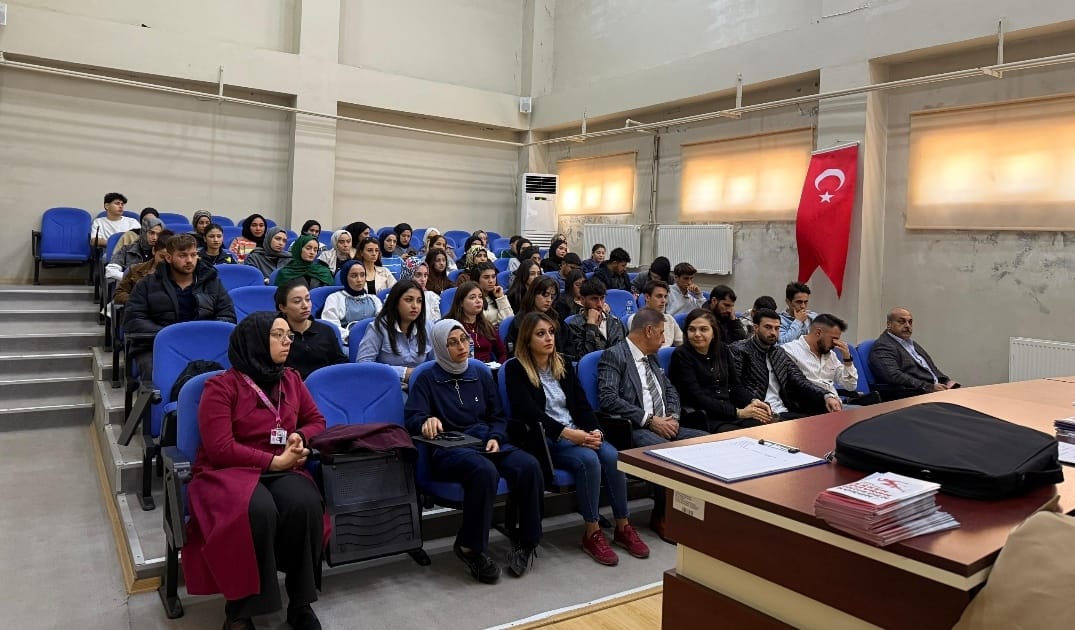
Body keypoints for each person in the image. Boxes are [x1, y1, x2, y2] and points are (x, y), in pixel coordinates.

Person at [183, 312, 327, 630]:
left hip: (281, 468)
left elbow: (317, 421)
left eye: (289, 335)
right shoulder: (221, 386)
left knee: (305, 504)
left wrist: (300, 437)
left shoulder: (291, 379)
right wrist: (273, 462)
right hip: (227, 472)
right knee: (256, 510)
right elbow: (220, 448)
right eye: (278, 335)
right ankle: (240, 611)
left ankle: (301, 603)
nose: (288, 341)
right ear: (256, 341)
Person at [505, 312, 650, 566]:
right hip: (547, 438)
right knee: (588, 461)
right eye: (541, 334)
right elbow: (529, 412)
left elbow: (582, 406)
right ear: (527, 340)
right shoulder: (516, 369)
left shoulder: (562, 364)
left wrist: (595, 431)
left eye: (551, 332)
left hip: (577, 432)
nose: (549, 338)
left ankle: (622, 526)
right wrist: (568, 433)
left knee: (612, 456)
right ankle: (592, 532)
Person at [405, 319, 544, 582]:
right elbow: (413, 416)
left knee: (529, 466)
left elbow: (498, 416)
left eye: (464, 340)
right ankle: (470, 547)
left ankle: (527, 540)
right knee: (484, 471)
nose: (461, 347)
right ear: (440, 347)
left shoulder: (479, 373)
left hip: (485, 440)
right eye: (453, 342)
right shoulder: (426, 378)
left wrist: (495, 436)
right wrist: (426, 421)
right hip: (449, 447)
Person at [596, 308, 707, 540]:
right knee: (668, 454)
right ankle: (662, 516)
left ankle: (693, 512)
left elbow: (670, 390)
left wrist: (674, 417)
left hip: (666, 422)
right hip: (634, 428)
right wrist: (650, 420)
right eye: (660, 333)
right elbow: (608, 399)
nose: (664, 340)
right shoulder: (615, 355)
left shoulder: (652, 356)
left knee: (707, 443)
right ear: (648, 331)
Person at [124, 234, 236, 380]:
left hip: (204, 344)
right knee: (157, 376)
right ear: (168, 258)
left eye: (193, 255)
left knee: (230, 375)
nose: (189, 260)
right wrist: (171, 335)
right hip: (157, 346)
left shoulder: (212, 283)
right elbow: (134, 320)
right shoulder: (147, 284)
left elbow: (228, 316)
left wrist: (201, 334)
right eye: (182, 255)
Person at [669, 309, 771, 433]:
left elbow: (735, 386)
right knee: (739, 436)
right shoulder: (681, 355)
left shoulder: (722, 349)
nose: (697, 334)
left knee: (766, 426)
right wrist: (738, 412)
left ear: (714, 332)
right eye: (692, 329)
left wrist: (753, 401)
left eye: (703, 329)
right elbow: (697, 397)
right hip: (703, 416)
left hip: (729, 410)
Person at [729, 308, 839, 420]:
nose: (773, 332)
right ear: (756, 328)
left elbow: (799, 380)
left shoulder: (779, 353)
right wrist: (751, 402)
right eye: (768, 327)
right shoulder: (739, 350)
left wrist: (826, 395)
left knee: (823, 418)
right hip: (757, 412)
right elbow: (734, 387)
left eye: (777, 328)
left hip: (783, 411)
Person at [869, 307, 958, 399]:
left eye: (910, 322)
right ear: (889, 324)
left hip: (934, 391)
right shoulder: (883, 346)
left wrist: (947, 381)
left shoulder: (911, 343)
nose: (907, 326)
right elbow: (894, 376)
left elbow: (931, 368)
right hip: (913, 396)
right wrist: (929, 387)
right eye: (901, 321)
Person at [355, 280, 431, 386]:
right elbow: (362, 364)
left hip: (422, 385)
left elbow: (437, 362)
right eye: (409, 300)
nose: (415, 306)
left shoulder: (427, 326)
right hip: (388, 386)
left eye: (419, 301)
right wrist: (403, 373)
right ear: (395, 302)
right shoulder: (379, 327)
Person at [275, 280, 347, 379]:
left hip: (324, 387)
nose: (305, 305)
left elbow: (340, 365)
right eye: (297, 301)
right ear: (282, 307)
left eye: (308, 299)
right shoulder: (275, 335)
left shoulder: (326, 331)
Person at [783, 314, 858, 402]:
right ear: (818, 332)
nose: (836, 343)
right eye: (833, 339)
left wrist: (847, 360)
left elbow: (850, 386)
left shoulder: (831, 355)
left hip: (836, 406)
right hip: (809, 408)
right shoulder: (790, 351)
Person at [444, 281, 508, 364]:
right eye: (472, 297)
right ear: (461, 303)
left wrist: (499, 367)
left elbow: (502, 353)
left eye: (480, 297)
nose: (478, 301)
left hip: (488, 372)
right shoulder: (451, 326)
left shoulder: (486, 325)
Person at [564, 278, 627, 362]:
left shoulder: (615, 322)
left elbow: (625, 352)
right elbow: (585, 359)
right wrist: (591, 326)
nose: (600, 304)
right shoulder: (574, 325)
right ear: (582, 300)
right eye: (594, 299)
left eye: (602, 298)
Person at [321, 260, 383, 344]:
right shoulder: (335, 298)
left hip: (374, 342)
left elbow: (383, 322)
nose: (359, 280)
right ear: (345, 278)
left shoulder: (374, 299)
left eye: (362, 275)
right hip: (348, 343)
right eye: (354, 276)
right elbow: (331, 327)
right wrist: (354, 338)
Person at [504, 277, 563, 355]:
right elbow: (515, 352)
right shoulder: (520, 322)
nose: (549, 300)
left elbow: (564, 348)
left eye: (552, 297)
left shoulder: (555, 318)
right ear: (533, 294)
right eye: (545, 295)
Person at [114, 230, 173, 305]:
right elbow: (119, 294)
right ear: (154, 251)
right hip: (136, 311)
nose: (165, 261)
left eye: (169, 258)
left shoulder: (178, 273)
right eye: (162, 257)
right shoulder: (135, 270)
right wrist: (138, 299)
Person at [105, 215, 163, 281]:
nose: (155, 238)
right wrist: (131, 278)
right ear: (144, 232)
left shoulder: (164, 253)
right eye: (151, 233)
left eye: (158, 234)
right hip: (130, 288)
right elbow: (110, 271)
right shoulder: (127, 250)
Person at [628, 281, 682, 348]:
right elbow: (639, 349)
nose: (663, 300)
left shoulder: (669, 319)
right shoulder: (635, 319)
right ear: (647, 297)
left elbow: (681, 343)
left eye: (665, 297)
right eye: (659, 296)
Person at [471, 261, 513, 327]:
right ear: (477, 280)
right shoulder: (473, 300)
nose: (491, 281)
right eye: (486, 277)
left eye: (493, 277)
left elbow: (509, 320)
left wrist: (500, 298)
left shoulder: (497, 295)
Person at [399, 258, 441, 322]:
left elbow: (437, 324)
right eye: (418, 275)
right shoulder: (397, 296)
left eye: (425, 275)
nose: (423, 279)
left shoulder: (432, 297)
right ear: (408, 275)